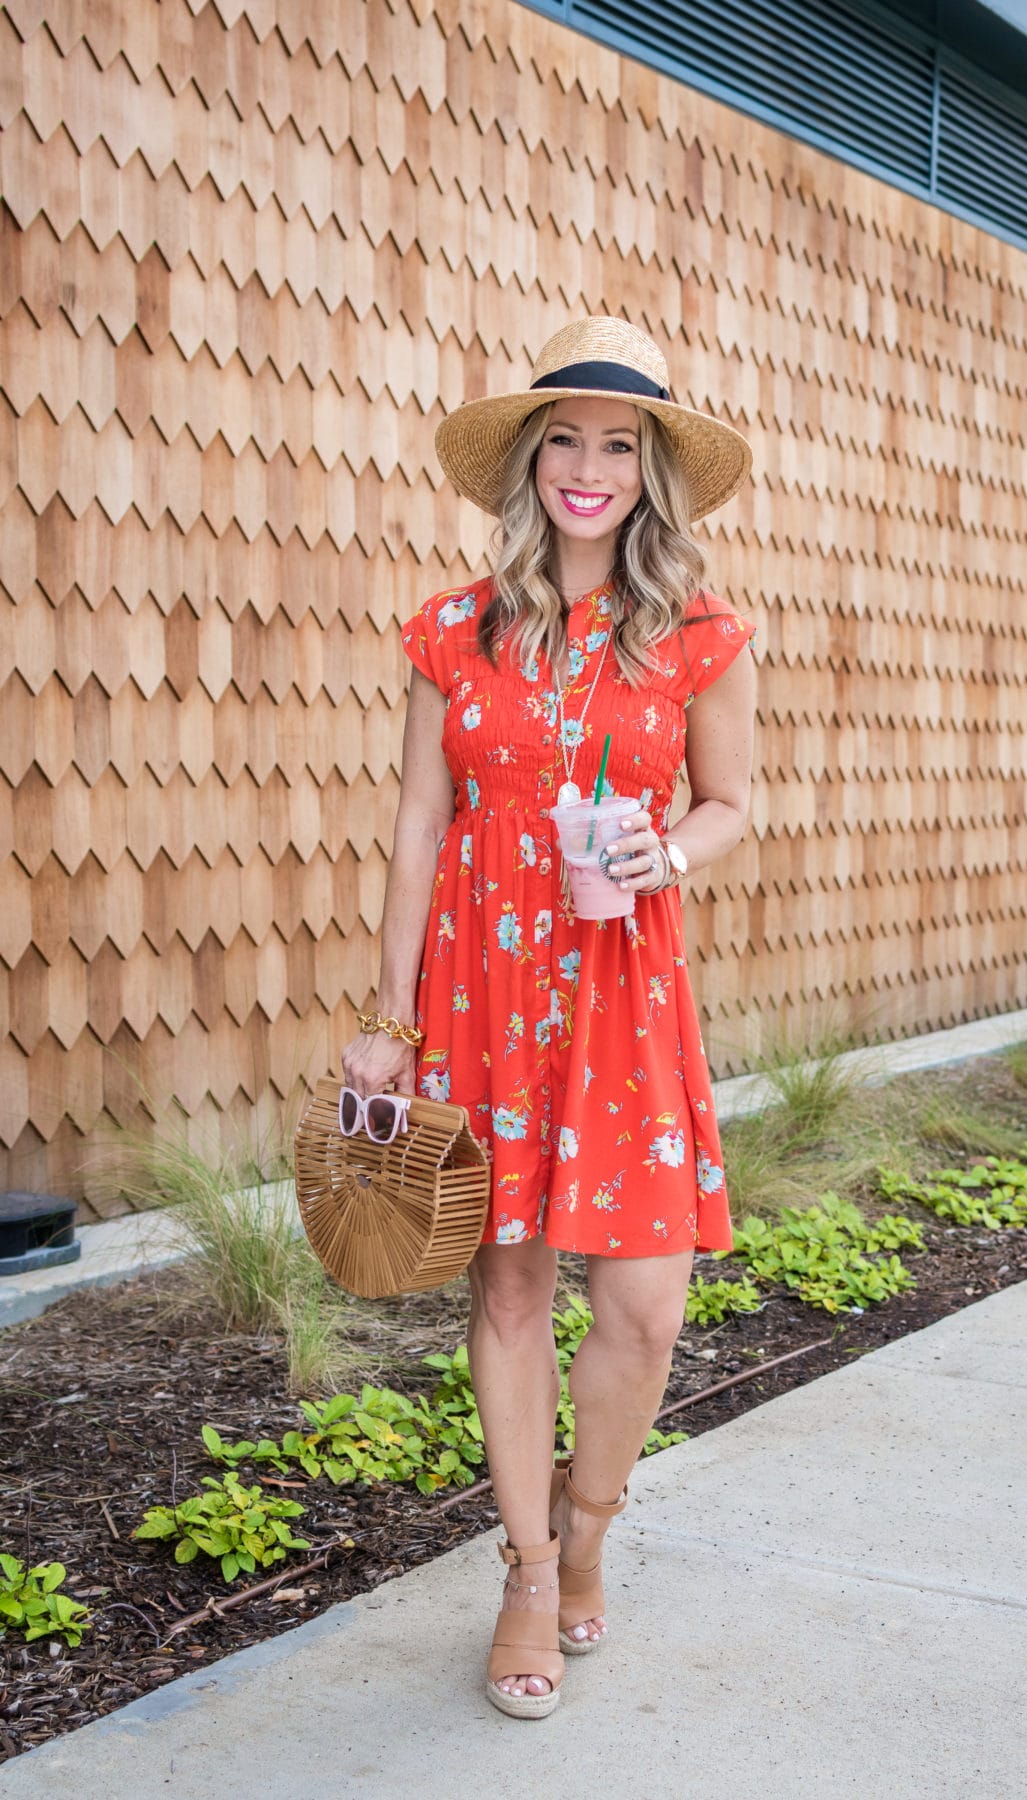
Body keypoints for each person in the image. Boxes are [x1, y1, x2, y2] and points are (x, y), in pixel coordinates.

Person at [341, 316, 755, 1718]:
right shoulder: (453, 630)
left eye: (619, 444)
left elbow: (730, 804)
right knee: (509, 1288)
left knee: (643, 1305)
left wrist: (669, 854)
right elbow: (415, 824)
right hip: (482, 993)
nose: (590, 467)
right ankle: (527, 1570)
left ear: (652, 472)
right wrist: (387, 1020)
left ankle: (590, 1534)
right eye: (565, 438)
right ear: (529, 458)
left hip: (625, 992)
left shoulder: (701, 633)